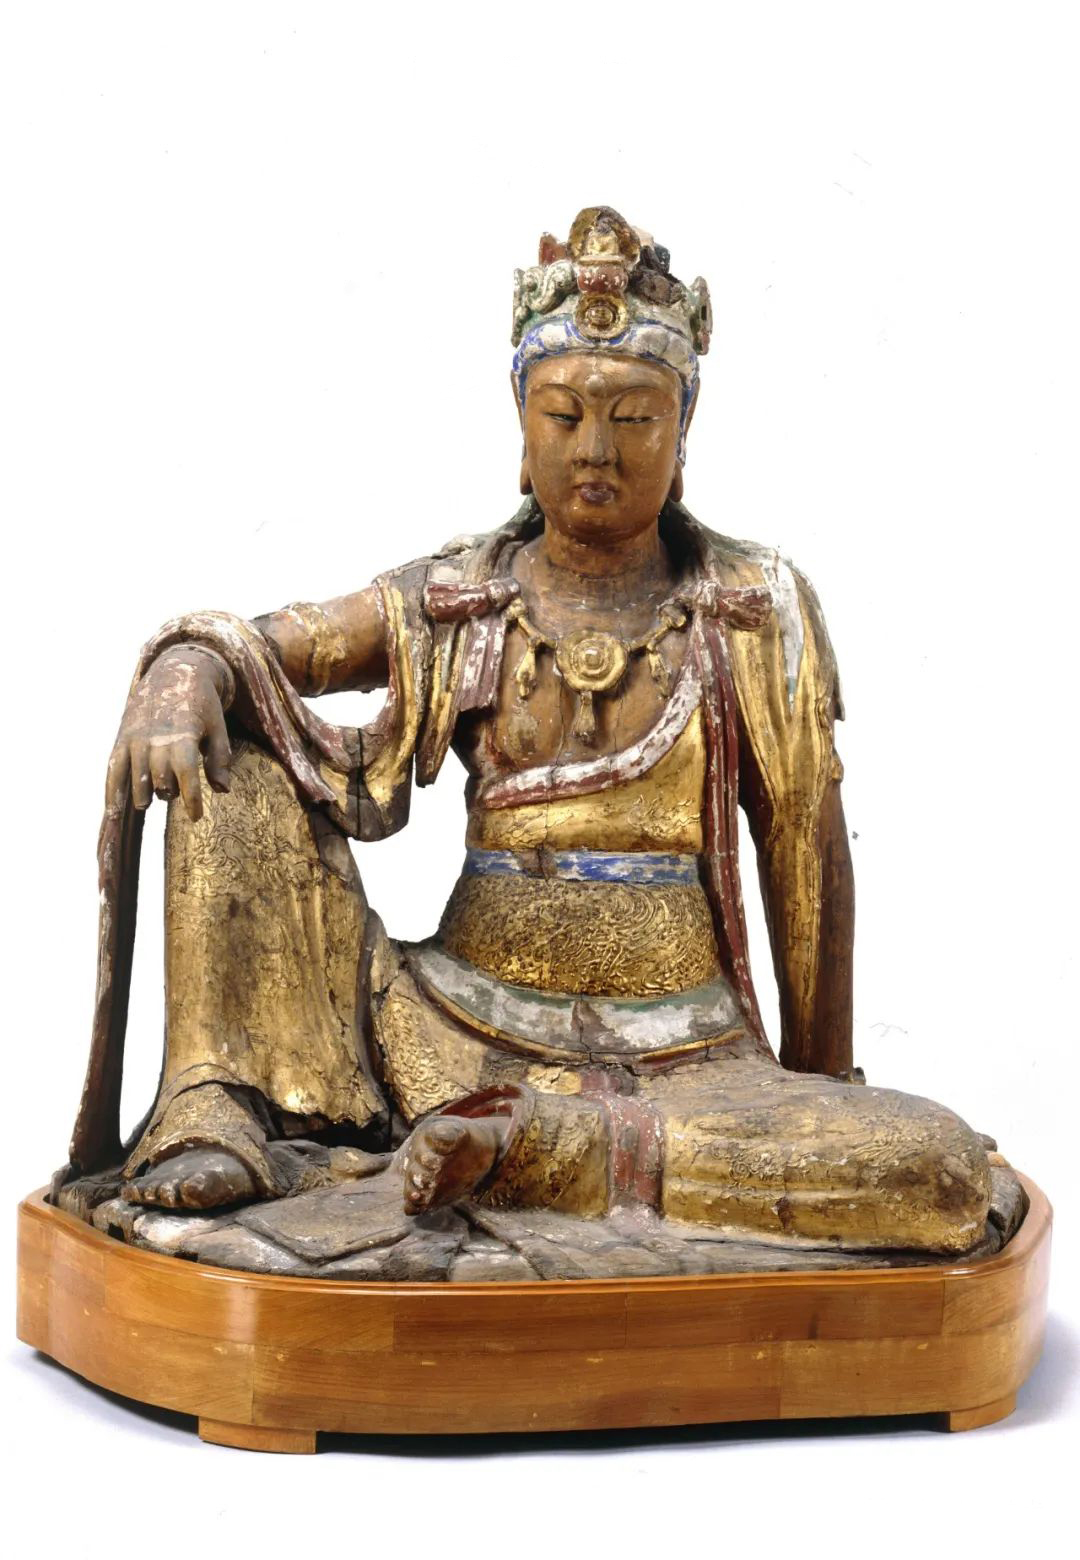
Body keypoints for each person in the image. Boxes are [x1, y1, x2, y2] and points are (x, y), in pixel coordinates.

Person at [64, 208, 994, 1257]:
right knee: (227, 773)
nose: (595, 449)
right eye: (563, 415)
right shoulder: (464, 593)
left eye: (635, 418)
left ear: (684, 434)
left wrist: (817, 1095)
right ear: (521, 431)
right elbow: (273, 648)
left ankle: (545, 1149)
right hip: (439, 1038)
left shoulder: (752, 608)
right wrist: (182, 673)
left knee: (939, 1167)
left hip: (687, 1066)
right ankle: (217, 1105)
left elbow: (806, 854)